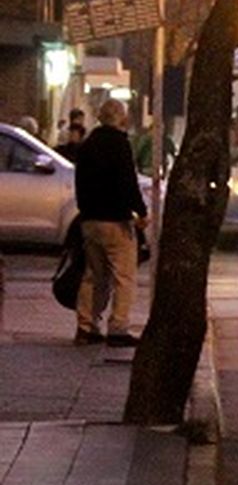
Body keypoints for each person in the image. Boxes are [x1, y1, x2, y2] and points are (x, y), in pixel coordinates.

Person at [72, 98, 148, 347]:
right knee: (124, 276)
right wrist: (141, 211)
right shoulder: (119, 145)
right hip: (115, 220)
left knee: (93, 275)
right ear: (121, 118)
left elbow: (79, 184)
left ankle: (86, 326)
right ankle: (118, 327)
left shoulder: (87, 145)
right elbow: (127, 182)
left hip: (90, 219)